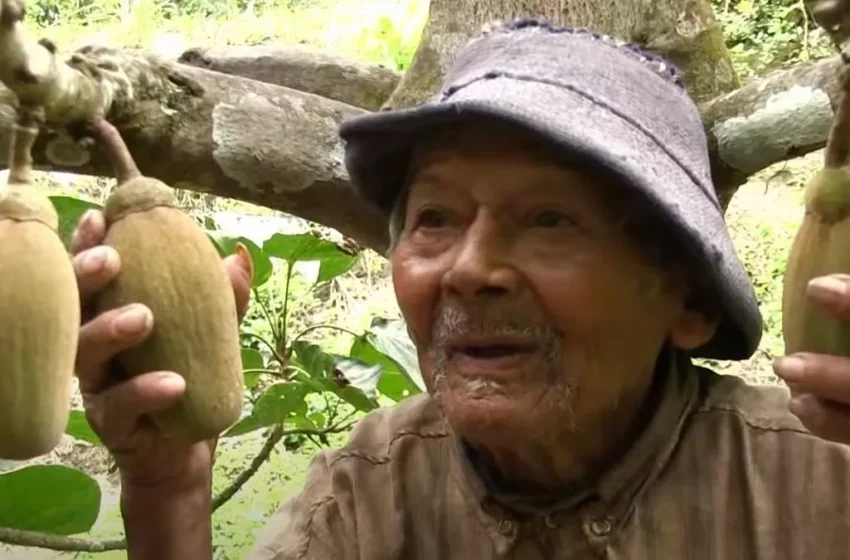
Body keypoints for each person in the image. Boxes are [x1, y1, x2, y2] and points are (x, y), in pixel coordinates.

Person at [70, 18, 850, 560]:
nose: (470, 269)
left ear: (687, 303)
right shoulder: (372, 492)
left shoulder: (817, 483)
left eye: (549, 220)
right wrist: (168, 488)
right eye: (436, 218)